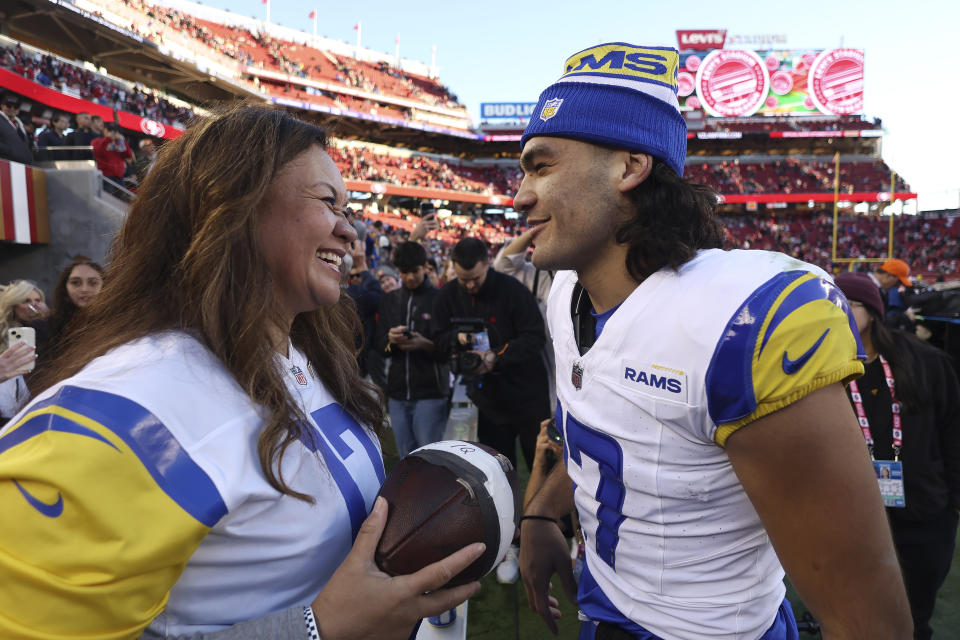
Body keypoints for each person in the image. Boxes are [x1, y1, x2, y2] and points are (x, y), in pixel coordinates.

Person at [0, 104, 483, 638]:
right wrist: (317, 627)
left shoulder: (301, 357)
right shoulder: (134, 405)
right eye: (328, 202)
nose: (352, 232)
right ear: (234, 207)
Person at [515, 43, 912, 640]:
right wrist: (545, 509)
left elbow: (869, 622)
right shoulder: (564, 294)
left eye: (541, 166)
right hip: (604, 600)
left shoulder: (742, 319)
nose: (520, 195)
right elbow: (613, 425)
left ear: (629, 167)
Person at [834, 272, 960, 640]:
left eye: (846, 304)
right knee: (857, 619)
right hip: (853, 522)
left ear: (872, 311)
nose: (836, 312)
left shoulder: (924, 362)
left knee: (913, 620)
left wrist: (951, 502)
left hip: (922, 517)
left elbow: (953, 428)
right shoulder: (820, 370)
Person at [432, 237, 552, 585]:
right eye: (463, 279)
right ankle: (510, 543)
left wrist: (496, 356)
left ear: (488, 264)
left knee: (542, 470)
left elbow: (534, 338)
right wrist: (459, 345)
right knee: (500, 477)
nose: (469, 286)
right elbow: (437, 337)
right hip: (488, 403)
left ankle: (555, 538)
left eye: (476, 279)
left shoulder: (512, 290)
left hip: (528, 398)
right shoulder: (448, 295)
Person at [375, 241, 450, 457]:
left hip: (431, 392)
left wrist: (424, 344)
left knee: (431, 459)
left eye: (414, 271)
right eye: (404, 272)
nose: (410, 278)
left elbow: (449, 349)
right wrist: (391, 340)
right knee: (406, 459)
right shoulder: (389, 300)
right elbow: (380, 345)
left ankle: (434, 492)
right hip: (397, 393)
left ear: (425, 267)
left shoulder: (440, 299)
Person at [0, 94, 33, 165]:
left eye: (16, 107)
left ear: (18, 110)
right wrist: (10, 151)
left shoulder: (20, 124)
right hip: (6, 165)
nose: (12, 108)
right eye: (8, 105)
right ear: (2, 106)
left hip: (23, 166)